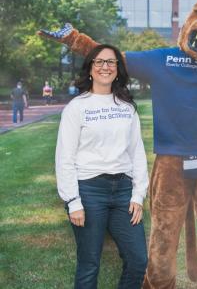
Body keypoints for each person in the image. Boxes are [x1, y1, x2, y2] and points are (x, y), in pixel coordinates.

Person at [55, 44, 149, 289]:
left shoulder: (127, 108)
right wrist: (73, 200)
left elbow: (137, 153)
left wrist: (138, 195)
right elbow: (64, 157)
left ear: (118, 70)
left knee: (138, 260)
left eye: (111, 62)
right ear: (90, 69)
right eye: (99, 62)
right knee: (89, 264)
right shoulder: (77, 107)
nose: (105, 66)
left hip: (124, 192)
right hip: (89, 192)